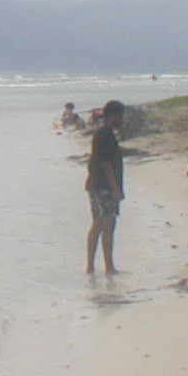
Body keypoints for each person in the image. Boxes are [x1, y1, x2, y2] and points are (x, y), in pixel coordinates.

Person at [84, 100, 126, 274]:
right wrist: (115, 187)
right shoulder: (105, 135)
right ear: (113, 116)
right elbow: (105, 163)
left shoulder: (104, 134)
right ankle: (106, 266)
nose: (122, 120)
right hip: (103, 186)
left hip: (98, 184)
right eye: (120, 116)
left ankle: (94, 266)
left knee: (102, 224)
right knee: (105, 224)